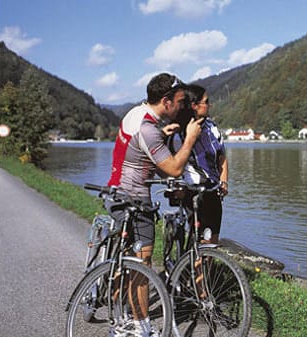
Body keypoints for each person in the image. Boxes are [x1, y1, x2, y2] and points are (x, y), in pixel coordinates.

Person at [106, 73, 203, 337]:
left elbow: (140, 152)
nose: (183, 107)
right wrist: (190, 138)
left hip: (116, 191)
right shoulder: (149, 129)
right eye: (181, 102)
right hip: (134, 198)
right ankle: (140, 325)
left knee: (125, 260)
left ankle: (118, 312)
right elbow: (172, 168)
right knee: (143, 262)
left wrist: (161, 135)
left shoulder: (137, 114)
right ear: (166, 101)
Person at [169, 83, 227, 244]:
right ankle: (194, 268)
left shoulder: (212, 127)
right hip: (192, 193)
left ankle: (206, 268)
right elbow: (172, 164)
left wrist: (224, 182)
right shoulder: (180, 132)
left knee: (213, 239)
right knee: (201, 240)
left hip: (213, 191)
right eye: (206, 101)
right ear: (194, 105)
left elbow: (222, 157)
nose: (210, 105)